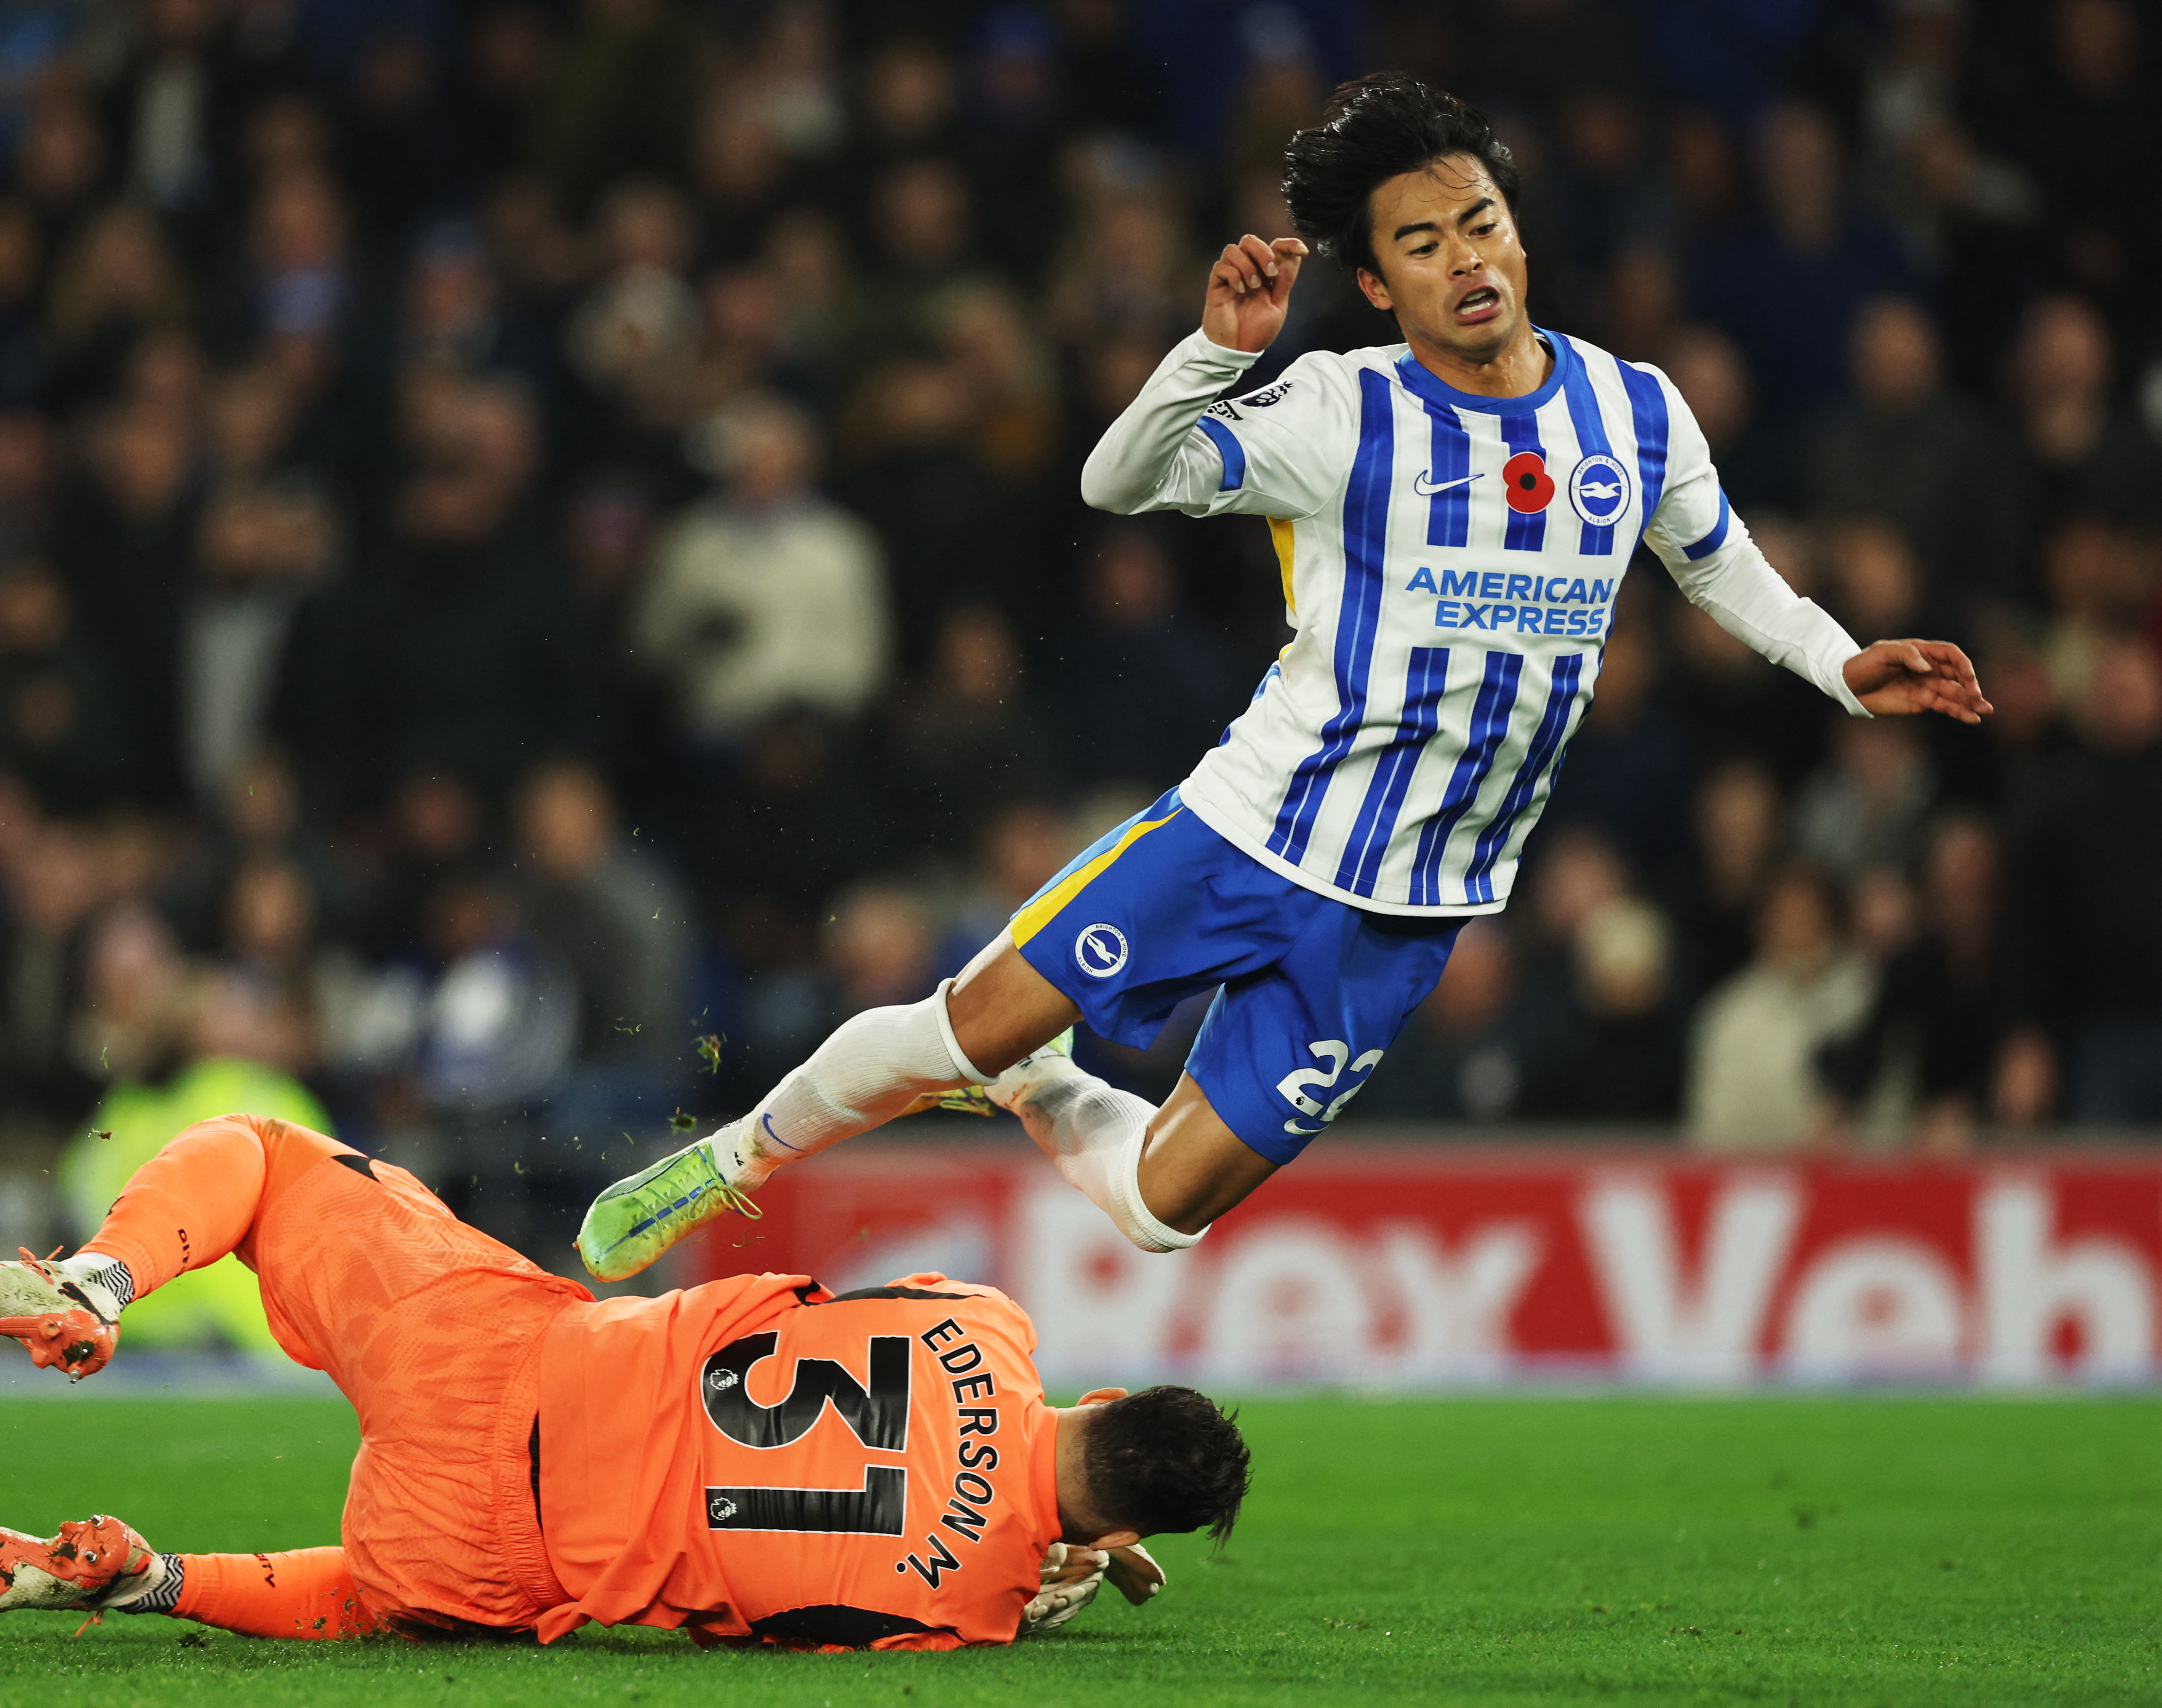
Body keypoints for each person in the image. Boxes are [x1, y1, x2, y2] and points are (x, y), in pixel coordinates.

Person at [577, 73, 1992, 1282]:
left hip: (1412, 905)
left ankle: (1040, 1088)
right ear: (1377, 284)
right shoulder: (1339, 407)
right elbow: (1115, 477)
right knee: (963, 1026)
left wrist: (1838, 663)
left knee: (1158, 1212)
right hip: (1250, 828)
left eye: (1480, 223)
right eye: (1422, 243)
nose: (1466, 259)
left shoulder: (1635, 409)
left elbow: (1717, 564)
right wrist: (1213, 356)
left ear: (1517, 230)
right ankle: (730, 1161)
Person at [0, 1113, 1244, 1649]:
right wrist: (1044, 1555)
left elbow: (861, 1323)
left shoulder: (988, 1325)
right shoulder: (966, 1610)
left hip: (504, 1355)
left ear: (1106, 1397)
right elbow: (796, 1621)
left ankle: (100, 1284)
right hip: (499, 1552)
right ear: (1130, 1524)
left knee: (265, 1158)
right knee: (383, 1604)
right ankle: (154, 1580)